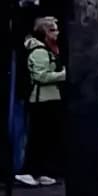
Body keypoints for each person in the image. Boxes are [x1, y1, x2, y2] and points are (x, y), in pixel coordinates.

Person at [15, 15, 65, 185]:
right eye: (53, 30)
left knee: (46, 138)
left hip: (50, 97)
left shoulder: (49, 49)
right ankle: (28, 170)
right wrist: (64, 75)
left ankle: (40, 171)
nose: (57, 33)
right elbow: (41, 76)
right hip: (40, 99)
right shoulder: (39, 51)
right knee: (37, 137)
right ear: (45, 32)